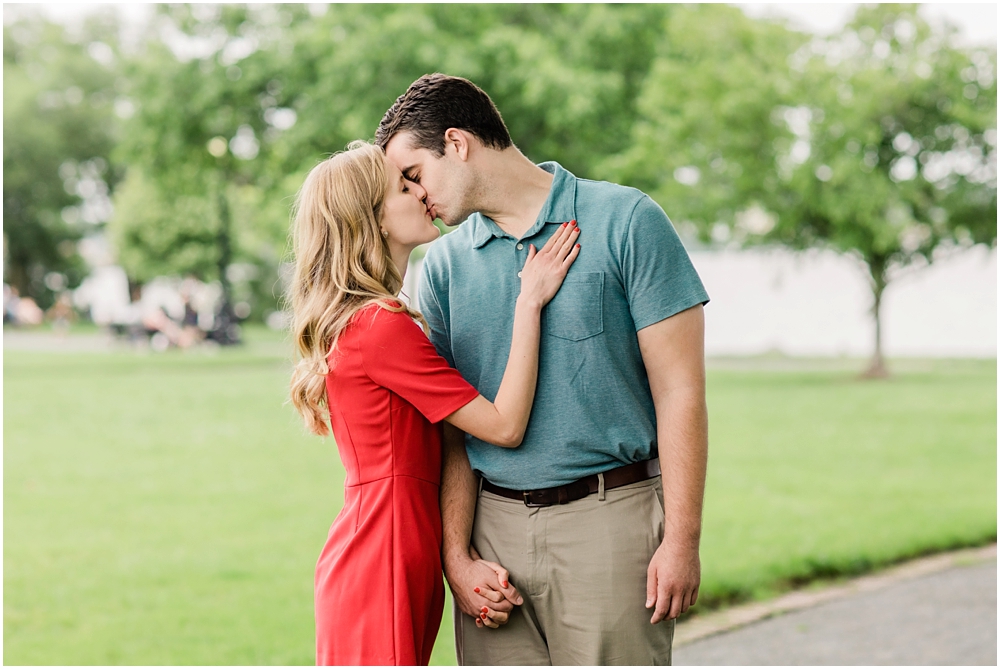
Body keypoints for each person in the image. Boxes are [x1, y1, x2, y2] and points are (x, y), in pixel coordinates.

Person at [376, 74, 711, 665]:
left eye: (414, 174)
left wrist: (681, 538)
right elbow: (453, 430)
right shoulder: (444, 267)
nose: (414, 195)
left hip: (610, 527)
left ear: (456, 143)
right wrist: (457, 557)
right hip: (492, 540)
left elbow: (680, 392)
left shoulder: (627, 220)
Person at [287, 141, 581, 665]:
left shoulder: (371, 320)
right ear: (372, 220)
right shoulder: (380, 327)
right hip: (386, 553)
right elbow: (505, 425)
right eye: (403, 188)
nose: (422, 193)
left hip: (388, 543)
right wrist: (529, 302)